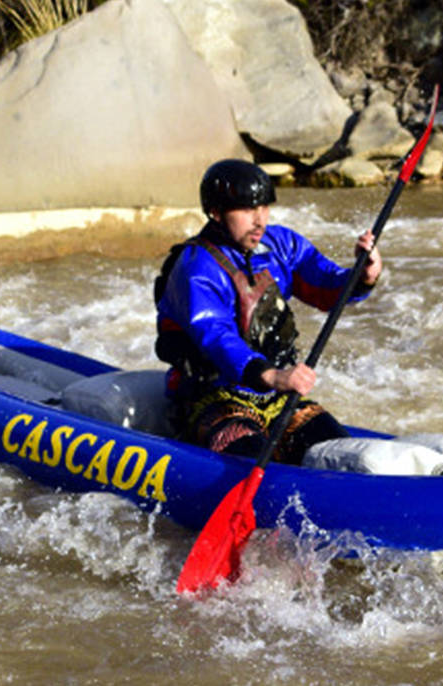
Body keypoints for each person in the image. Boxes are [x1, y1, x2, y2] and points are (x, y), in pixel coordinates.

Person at [154, 159, 382, 465]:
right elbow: (216, 337)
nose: (259, 220)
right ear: (216, 212)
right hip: (213, 399)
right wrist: (270, 375)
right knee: (251, 456)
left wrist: (362, 274)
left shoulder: (281, 244)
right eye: (247, 210)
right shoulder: (196, 268)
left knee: (336, 450)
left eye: (264, 208)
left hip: (275, 398)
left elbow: (326, 287)